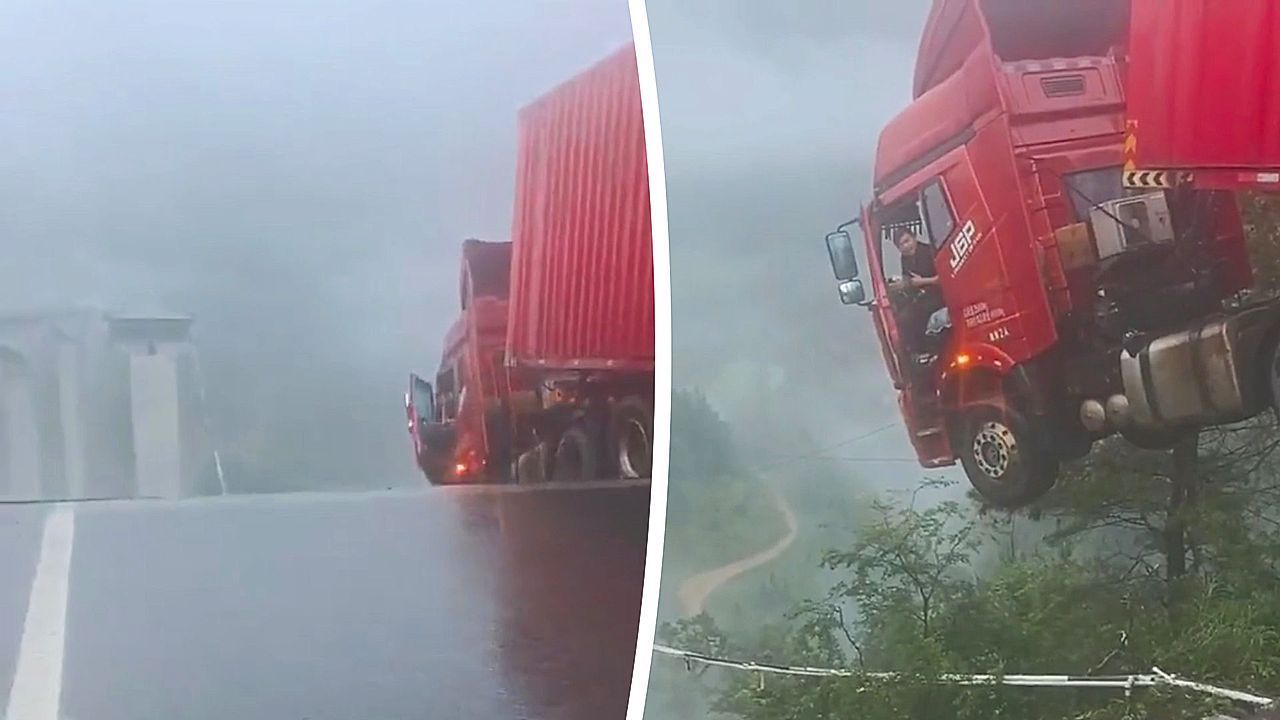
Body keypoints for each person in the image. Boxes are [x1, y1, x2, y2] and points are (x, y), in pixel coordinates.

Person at [888, 228, 945, 357]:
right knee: (901, 314)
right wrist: (902, 285)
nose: (905, 246)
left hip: (939, 293)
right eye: (901, 245)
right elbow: (909, 280)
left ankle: (924, 350)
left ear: (914, 238)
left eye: (907, 241)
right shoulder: (904, 259)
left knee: (912, 316)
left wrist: (921, 282)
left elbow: (942, 278)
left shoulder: (928, 251)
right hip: (921, 295)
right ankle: (915, 352)